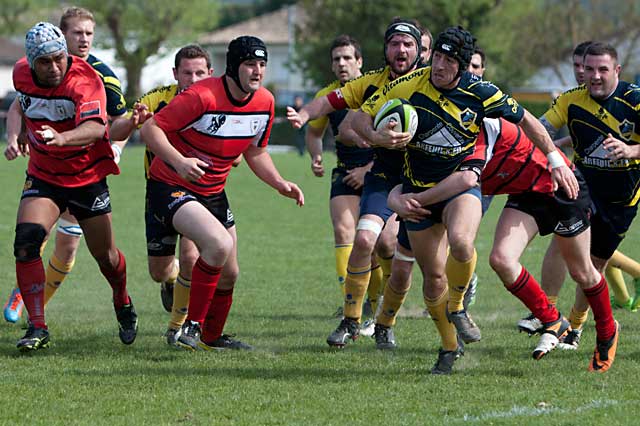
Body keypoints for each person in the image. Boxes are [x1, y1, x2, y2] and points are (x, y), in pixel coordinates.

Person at [350, 25, 579, 374]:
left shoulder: (481, 92)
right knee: (433, 278)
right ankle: (448, 346)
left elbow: (529, 121)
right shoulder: (409, 85)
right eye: (436, 57)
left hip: (459, 188)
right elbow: (358, 118)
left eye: (448, 60)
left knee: (461, 243)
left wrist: (554, 158)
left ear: (462, 64)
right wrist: (376, 137)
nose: (439, 65)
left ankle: (457, 307)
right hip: (416, 192)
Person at [390, 117, 619, 372]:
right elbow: (415, 178)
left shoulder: (479, 127)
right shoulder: (441, 139)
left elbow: (466, 179)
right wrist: (395, 199)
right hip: (526, 193)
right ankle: (552, 320)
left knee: (582, 271)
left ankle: (607, 331)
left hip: (560, 188)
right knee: (501, 259)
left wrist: (412, 202)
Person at [140, 35, 304, 351]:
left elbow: (256, 152)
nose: (257, 71)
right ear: (232, 67)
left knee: (230, 273)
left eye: (262, 65)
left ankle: (211, 338)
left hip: (213, 192)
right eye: (249, 64)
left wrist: (280, 183)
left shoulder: (265, 103)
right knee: (216, 244)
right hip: (171, 186)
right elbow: (150, 130)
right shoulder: (203, 96)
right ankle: (192, 327)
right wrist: (180, 161)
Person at [288, 18, 426, 348]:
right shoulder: (370, 84)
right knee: (364, 240)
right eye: (395, 43)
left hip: (423, 179)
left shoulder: (429, 82)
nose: (401, 49)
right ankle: (351, 320)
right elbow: (328, 102)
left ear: (420, 49)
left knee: (400, 251)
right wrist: (304, 115)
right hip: (385, 176)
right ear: (386, 49)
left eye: (408, 44)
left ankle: (387, 323)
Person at [9, 21, 137, 351]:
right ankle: (37, 326)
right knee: (26, 243)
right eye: (44, 62)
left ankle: (122, 300)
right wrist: (19, 132)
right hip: (44, 174)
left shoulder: (85, 80)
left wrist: (62, 137)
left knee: (105, 257)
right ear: (30, 62)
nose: (54, 68)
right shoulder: (21, 74)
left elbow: (96, 128)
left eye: (58, 59)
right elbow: (20, 104)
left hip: (87, 177)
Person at [518, 41, 640, 350]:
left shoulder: (635, 101)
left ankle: (574, 324)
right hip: (581, 190)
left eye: (602, 69)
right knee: (565, 249)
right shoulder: (571, 100)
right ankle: (547, 313)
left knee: (593, 269)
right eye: (588, 69)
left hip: (620, 201)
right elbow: (540, 128)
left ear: (617, 70)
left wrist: (630, 150)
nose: (595, 76)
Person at [109, 44, 213, 345]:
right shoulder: (157, 99)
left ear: (210, 73)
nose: (193, 79)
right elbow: (123, 127)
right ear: (175, 74)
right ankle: (172, 279)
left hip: (199, 191)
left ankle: (176, 327)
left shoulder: (217, 103)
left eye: (199, 73)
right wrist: (130, 126)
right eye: (187, 73)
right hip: (158, 193)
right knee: (159, 271)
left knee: (193, 256)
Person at [304, 35, 380, 317]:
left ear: (360, 61)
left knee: (376, 243)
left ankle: (377, 300)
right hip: (346, 172)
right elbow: (314, 133)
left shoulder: (377, 89)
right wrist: (316, 156)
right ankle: (353, 302)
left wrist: (368, 170)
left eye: (347, 58)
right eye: (336, 59)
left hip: (381, 171)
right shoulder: (326, 96)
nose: (342, 63)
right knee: (344, 232)